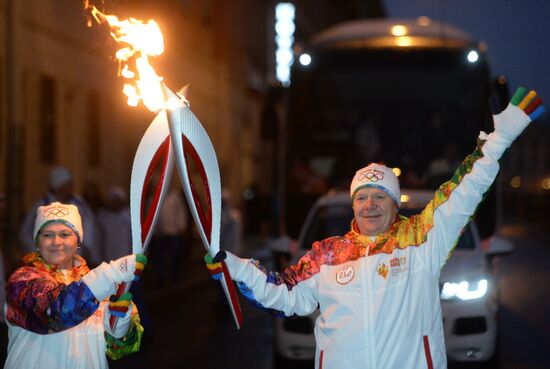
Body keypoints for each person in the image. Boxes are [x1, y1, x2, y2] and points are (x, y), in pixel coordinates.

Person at [206, 87, 545, 369]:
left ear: (394, 204)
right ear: (353, 204)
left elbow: (461, 194)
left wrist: (496, 144)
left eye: (380, 197)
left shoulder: (421, 241)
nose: (370, 205)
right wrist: (234, 267)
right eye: (362, 197)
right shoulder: (327, 255)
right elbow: (282, 295)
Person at [4, 202, 146, 369]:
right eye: (47, 235)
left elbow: (120, 349)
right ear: (37, 242)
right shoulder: (21, 281)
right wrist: (112, 273)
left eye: (65, 234)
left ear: (78, 241)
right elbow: (55, 312)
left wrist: (119, 324)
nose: (56, 242)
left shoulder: (97, 286)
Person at [18, 166, 99, 266]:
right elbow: (24, 233)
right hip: (47, 262)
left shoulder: (79, 204)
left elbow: (89, 226)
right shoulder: (41, 206)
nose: (72, 186)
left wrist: (88, 250)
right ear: (59, 185)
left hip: (74, 261)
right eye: (68, 183)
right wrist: (38, 253)